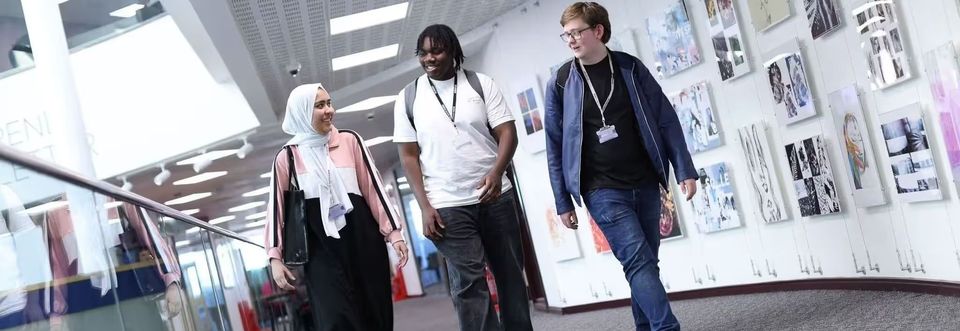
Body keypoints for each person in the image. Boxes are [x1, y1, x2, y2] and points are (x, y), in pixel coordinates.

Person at [544, 3, 699, 330]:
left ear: (598, 30)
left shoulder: (629, 68)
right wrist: (562, 201)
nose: (570, 40)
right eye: (566, 35)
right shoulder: (561, 82)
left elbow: (665, 119)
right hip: (601, 189)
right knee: (637, 260)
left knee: (645, 264)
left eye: (576, 32)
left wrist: (683, 168)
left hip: (644, 181)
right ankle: (667, 327)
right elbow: (555, 147)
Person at [393, 24, 533, 331]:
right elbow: (408, 157)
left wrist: (497, 172)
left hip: (496, 196)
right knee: (469, 285)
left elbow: (507, 131)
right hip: (448, 204)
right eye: (423, 53)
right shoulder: (408, 98)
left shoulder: (480, 84)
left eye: (436, 51)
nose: (429, 58)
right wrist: (425, 206)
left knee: (510, 277)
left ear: (453, 51)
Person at [265, 83, 409, 330]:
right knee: (335, 318)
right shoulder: (287, 157)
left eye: (329, 103)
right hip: (321, 249)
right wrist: (275, 257)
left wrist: (394, 233)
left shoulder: (350, 140)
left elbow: (373, 189)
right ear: (302, 112)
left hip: (362, 240)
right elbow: (276, 209)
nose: (329, 110)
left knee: (374, 313)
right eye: (319, 106)